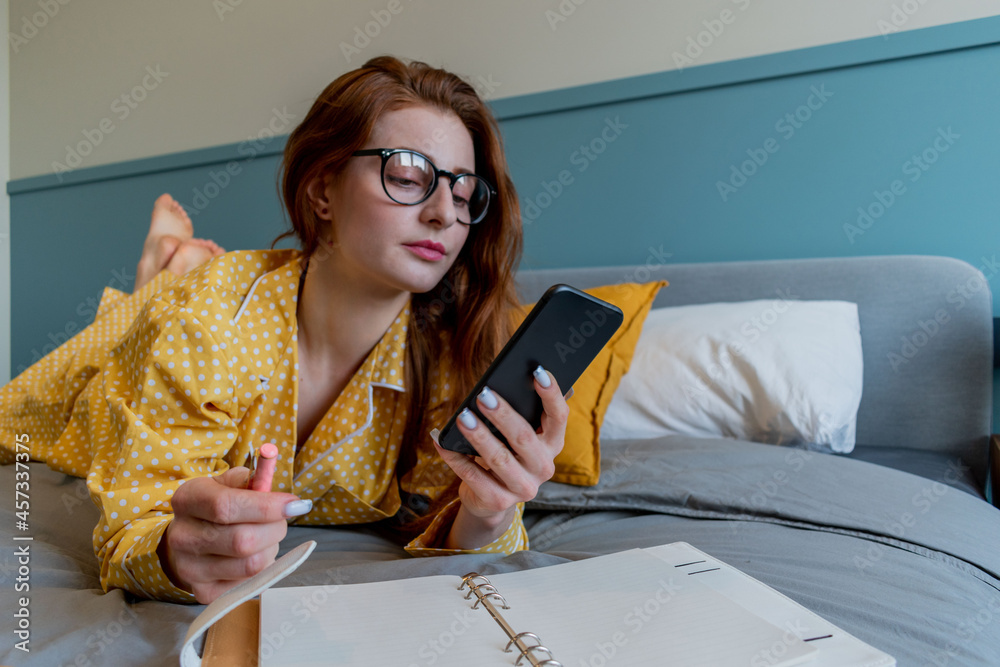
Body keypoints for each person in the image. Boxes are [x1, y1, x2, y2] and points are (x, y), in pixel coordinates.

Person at [0, 56, 570, 604]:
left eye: (464, 191)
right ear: (323, 190)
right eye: (406, 174)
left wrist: (489, 509)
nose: (444, 213)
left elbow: (451, 527)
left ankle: (163, 272)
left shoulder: (447, 356)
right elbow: (131, 531)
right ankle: (162, 279)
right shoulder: (208, 322)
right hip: (104, 376)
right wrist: (171, 553)